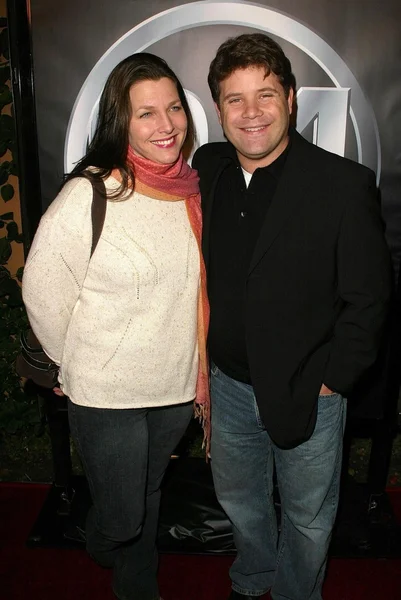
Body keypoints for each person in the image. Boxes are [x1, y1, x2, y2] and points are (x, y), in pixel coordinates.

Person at [192, 33, 392, 600]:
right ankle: (253, 579)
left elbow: (370, 299)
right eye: (235, 99)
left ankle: (295, 594)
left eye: (265, 95)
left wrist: (333, 381)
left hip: (310, 389)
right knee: (240, 501)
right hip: (227, 385)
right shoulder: (208, 169)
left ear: (291, 99)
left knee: (307, 517)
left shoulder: (342, 186)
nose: (251, 112)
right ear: (218, 109)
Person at [22, 52, 209, 600]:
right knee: (126, 513)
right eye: (146, 112)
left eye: (174, 107)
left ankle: (135, 582)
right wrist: (71, 360)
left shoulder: (191, 192)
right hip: (108, 392)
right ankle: (109, 539)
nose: (167, 124)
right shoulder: (92, 193)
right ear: (119, 121)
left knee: (148, 492)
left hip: (176, 387)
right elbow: (44, 287)